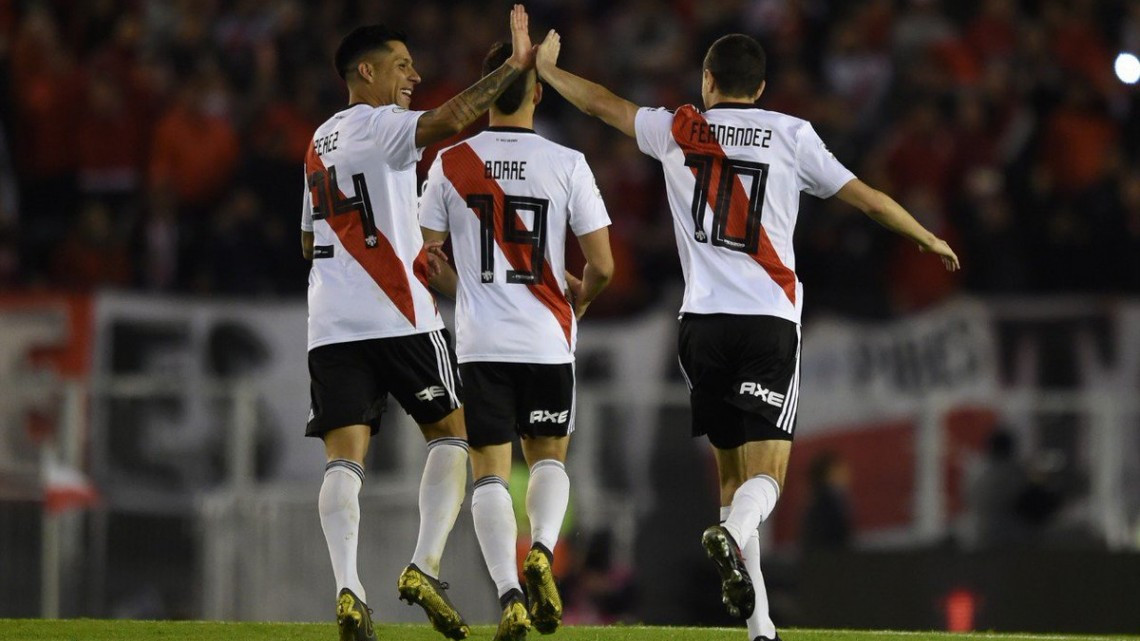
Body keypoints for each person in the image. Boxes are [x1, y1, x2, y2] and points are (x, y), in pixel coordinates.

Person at [534, 31, 959, 641]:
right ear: (760, 88)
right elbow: (865, 200)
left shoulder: (679, 128)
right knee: (768, 478)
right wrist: (925, 235)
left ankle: (760, 627)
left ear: (707, 81)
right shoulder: (792, 135)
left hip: (700, 325)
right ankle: (734, 543)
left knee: (732, 483)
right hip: (767, 321)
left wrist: (549, 72)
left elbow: (603, 103)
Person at [301, 7, 536, 641]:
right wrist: (513, 68)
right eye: (402, 65)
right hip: (399, 315)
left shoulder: (317, 140)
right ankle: (423, 565)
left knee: (344, 461)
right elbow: (451, 120)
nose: (415, 74)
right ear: (366, 71)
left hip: (330, 322)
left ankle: (349, 589)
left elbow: (306, 241)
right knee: (454, 434)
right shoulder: (382, 126)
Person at [418, 40, 614, 641]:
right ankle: (544, 552)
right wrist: (577, 299)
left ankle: (508, 593)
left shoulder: (450, 162)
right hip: (547, 339)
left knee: (490, 477)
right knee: (550, 458)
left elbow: (426, 260)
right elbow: (603, 266)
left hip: (481, 343)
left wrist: (465, 286)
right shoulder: (568, 163)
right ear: (538, 91)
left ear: (484, 93)